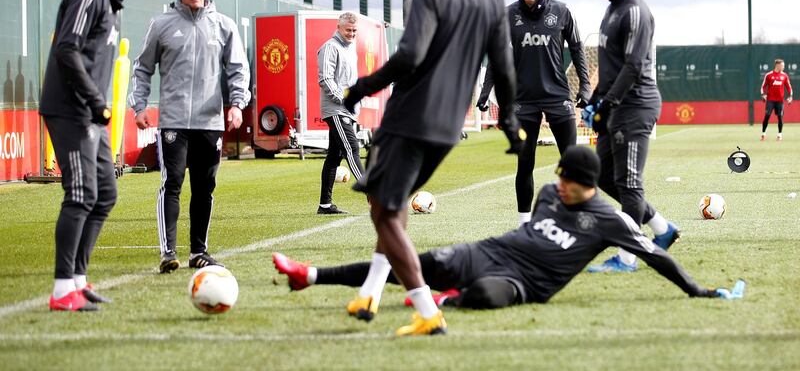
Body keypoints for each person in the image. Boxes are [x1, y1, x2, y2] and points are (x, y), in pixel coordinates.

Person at [274, 146, 744, 314]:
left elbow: (655, 255)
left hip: (525, 284)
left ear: (589, 186)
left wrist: (698, 290)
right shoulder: (547, 193)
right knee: (415, 263)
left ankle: (445, 301)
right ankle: (310, 275)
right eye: (559, 175)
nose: (559, 183)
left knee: (484, 296)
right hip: (491, 250)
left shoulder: (611, 219)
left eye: (568, 181)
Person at [338, 0, 522, 336]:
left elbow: (410, 56)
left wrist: (360, 88)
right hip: (448, 125)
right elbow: (505, 68)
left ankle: (425, 310)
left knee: (384, 213)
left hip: (410, 118)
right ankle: (369, 292)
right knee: (395, 203)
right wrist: (509, 119)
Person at [40, 0, 151, 311]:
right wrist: (94, 101)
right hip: (71, 110)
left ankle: (78, 282)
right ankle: (60, 291)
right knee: (81, 195)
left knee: (105, 194)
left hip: (92, 114)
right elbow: (67, 49)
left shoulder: (111, 0)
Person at [128, 0, 251, 274]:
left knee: (204, 187)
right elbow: (142, 68)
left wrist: (237, 104)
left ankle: (199, 251)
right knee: (172, 183)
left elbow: (238, 69)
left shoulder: (223, 26)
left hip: (210, 123)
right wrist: (139, 106)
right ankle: (168, 251)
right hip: (173, 121)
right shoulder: (162, 25)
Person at [583, 0, 680, 273]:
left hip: (635, 106)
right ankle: (663, 229)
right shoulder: (611, 11)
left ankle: (627, 258)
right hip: (615, 106)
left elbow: (634, 66)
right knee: (603, 176)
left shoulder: (636, 11)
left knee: (629, 184)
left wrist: (606, 103)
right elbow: (610, 66)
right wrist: (595, 99)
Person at [477, 0, 591, 227]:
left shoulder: (562, 12)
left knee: (572, 162)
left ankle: (577, 219)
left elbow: (577, 48)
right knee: (524, 163)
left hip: (557, 96)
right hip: (523, 101)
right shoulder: (508, 15)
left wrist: (585, 86)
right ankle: (524, 224)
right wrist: (485, 91)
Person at [316, 12, 365, 215]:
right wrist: (345, 100)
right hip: (336, 109)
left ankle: (325, 205)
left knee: (334, 157)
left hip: (346, 110)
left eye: (354, 30)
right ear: (339, 27)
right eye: (348, 30)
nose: (351, 33)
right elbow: (325, 79)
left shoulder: (350, 48)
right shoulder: (330, 47)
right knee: (351, 148)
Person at [760, 58, 793, 141]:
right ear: (777, 66)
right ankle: (763, 133)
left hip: (780, 101)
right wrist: (763, 94)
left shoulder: (784, 75)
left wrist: (790, 96)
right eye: (782, 65)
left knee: (780, 117)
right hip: (770, 100)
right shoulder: (769, 75)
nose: (783, 67)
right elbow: (763, 86)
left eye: (783, 65)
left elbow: (789, 87)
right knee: (767, 116)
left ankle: (779, 135)